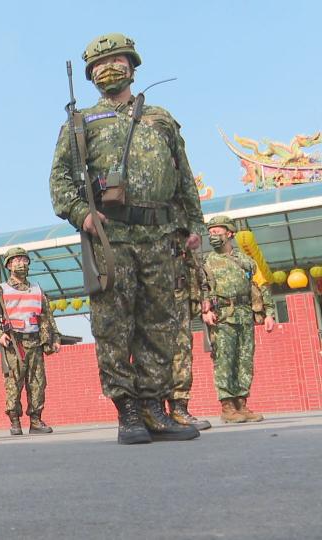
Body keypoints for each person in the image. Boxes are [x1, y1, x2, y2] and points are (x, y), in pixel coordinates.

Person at [49, 33, 204, 444]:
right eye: (99, 66)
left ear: (133, 66)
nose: (108, 70)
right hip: (110, 236)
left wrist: (196, 225)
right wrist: (82, 214)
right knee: (114, 326)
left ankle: (155, 408)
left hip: (159, 234)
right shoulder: (79, 124)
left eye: (115, 61)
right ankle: (128, 411)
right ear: (90, 77)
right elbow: (60, 182)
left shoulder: (161, 119)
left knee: (159, 324)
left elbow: (184, 176)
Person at [201, 215, 276, 423]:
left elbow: (261, 285)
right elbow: (201, 288)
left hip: (245, 316)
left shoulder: (246, 261)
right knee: (224, 360)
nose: (213, 235)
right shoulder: (207, 262)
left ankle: (242, 404)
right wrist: (204, 310)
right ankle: (227, 407)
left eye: (217, 231)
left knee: (245, 360)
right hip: (222, 316)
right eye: (210, 232)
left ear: (230, 233)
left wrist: (269, 312)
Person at [0, 247, 61, 435]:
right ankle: (14, 421)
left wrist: (54, 338)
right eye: (15, 260)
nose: (20, 263)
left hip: (35, 341)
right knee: (13, 383)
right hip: (14, 344)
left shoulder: (37, 290)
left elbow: (47, 317)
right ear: (9, 265)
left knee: (37, 382)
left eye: (23, 259)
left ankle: (36, 420)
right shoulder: (1, 290)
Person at [168, 229, 212, 430]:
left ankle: (179, 408)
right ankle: (152, 410)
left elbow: (196, 267)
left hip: (181, 297)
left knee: (183, 353)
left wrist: (203, 296)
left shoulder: (182, 229)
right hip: (155, 298)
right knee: (153, 354)